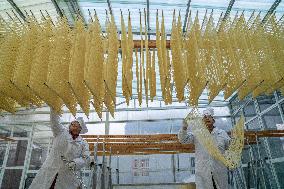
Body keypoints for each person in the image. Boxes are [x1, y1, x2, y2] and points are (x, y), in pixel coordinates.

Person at [29, 108, 90, 189]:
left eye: (76, 125)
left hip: (67, 176)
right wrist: (55, 105)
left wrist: (75, 163)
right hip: (50, 170)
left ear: (80, 129)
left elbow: (86, 158)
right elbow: (54, 120)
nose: (73, 126)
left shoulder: (83, 143)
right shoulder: (60, 132)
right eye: (72, 124)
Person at [178, 107, 231, 189]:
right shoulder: (198, 134)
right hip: (203, 172)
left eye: (209, 117)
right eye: (204, 117)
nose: (207, 119)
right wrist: (184, 127)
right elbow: (183, 140)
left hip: (219, 171)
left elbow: (230, 147)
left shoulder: (222, 133)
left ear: (213, 120)